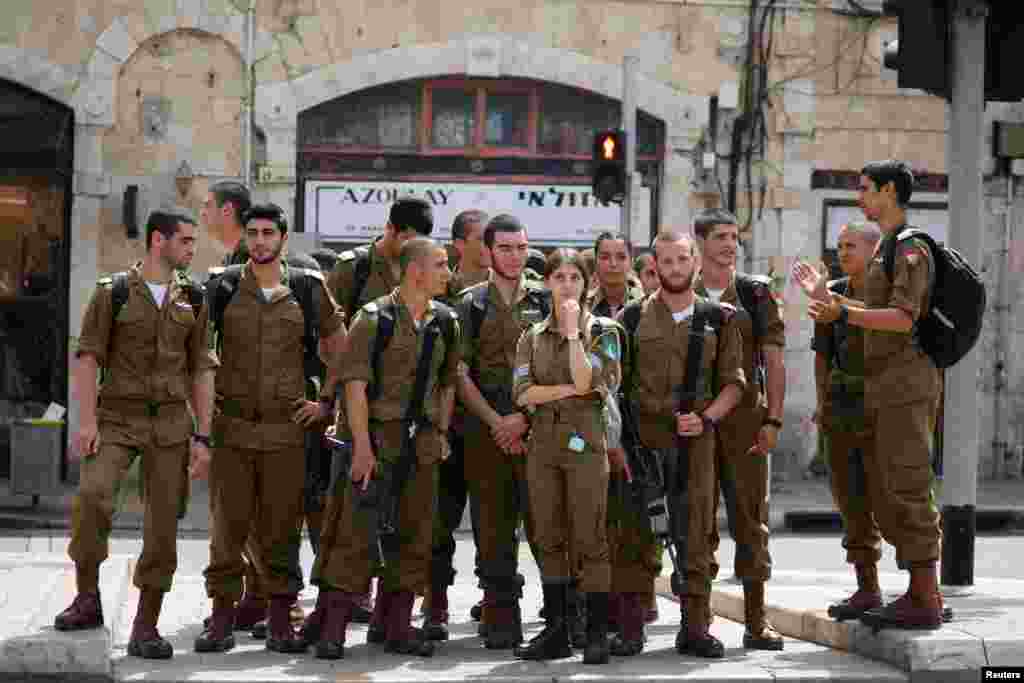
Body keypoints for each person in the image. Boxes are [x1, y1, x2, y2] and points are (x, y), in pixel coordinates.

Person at [55, 210, 217, 660]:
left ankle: (146, 625)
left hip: (170, 423)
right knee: (92, 498)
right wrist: (86, 422)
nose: (192, 249)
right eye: (185, 241)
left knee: (163, 524)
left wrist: (203, 437)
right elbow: (88, 357)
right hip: (117, 419)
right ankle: (87, 598)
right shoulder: (114, 292)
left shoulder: (194, 297)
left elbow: (202, 368)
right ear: (157, 240)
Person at [195, 203, 346, 654]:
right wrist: (202, 422)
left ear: (283, 237)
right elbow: (198, 354)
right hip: (233, 429)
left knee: (282, 528)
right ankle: (221, 619)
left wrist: (325, 402)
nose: (260, 241)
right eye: (253, 233)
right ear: (244, 237)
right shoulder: (221, 286)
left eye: (268, 233)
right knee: (228, 529)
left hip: (287, 432)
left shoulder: (307, 286)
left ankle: (281, 621)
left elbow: (341, 350)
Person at [807, 160, 945, 630]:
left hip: (906, 384)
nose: (859, 196)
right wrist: (837, 304)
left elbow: (903, 317)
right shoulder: (888, 247)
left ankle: (924, 597)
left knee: (908, 487)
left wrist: (843, 314)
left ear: (889, 191)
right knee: (888, 490)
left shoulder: (909, 248)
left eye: (866, 188)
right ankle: (915, 593)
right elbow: (875, 309)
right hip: (886, 386)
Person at [312, 237, 460, 659]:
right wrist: (361, 446)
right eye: (441, 265)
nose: (448, 273)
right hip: (377, 436)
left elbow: (448, 382)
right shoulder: (374, 318)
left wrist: (441, 431)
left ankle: (397, 626)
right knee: (354, 532)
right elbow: (354, 386)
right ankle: (333, 629)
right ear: (416, 271)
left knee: (415, 534)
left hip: (422, 442)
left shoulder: (445, 321)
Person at [621, 230, 745, 658]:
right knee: (635, 535)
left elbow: (734, 384)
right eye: (666, 261)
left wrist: (706, 418)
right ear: (655, 265)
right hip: (643, 443)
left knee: (696, 536)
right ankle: (631, 626)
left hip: (696, 445)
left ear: (695, 261)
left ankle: (695, 628)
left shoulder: (718, 318)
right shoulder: (631, 318)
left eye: (682, 259)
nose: (675, 269)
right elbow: (617, 386)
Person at [512, 248, 623, 665]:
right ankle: (557, 630)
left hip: (586, 444)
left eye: (575, 277)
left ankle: (594, 633)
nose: (567, 285)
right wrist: (568, 391)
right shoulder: (531, 336)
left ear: (587, 284)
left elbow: (592, 381)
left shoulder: (604, 332)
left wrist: (575, 333)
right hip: (543, 444)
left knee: (590, 537)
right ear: (547, 283)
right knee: (548, 536)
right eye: (559, 277)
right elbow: (522, 393)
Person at [693, 208, 786, 650]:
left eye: (734, 237)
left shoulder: (755, 294)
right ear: (700, 242)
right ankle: (698, 622)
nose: (730, 245)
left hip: (746, 423)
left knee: (751, 523)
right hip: (696, 426)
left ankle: (756, 620)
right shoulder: (684, 292)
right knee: (697, 525)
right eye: (720, 237)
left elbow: (775, 360)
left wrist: (773, 419)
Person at [455, 215, 550, 648]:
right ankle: (500, 614)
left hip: (539, 430)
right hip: (486, 433)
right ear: (488, 251)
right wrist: (497, 423)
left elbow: (560, 368)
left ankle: (560, 615)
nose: (515, 256)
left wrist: (523, 420)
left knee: (546, 525)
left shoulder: (546, 301)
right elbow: (459, 373)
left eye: (521, 247)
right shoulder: (470, 303)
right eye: (506, 248)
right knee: (492, 529)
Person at [793, 222, 885, 622]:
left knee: (897, 502)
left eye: (851, 246)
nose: (843, 252)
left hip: (884, 410)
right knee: (851, 501)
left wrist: (829, 299)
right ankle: (867, 587)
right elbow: (822, 355)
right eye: (840, 246)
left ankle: (922, 590)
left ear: (874, 250)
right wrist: (822, 402)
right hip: (842, 408)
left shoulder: (889, 292)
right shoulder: (833, 292)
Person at [423, 209, 490, 639]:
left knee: (494, 521)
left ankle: (494, 596)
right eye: (482, 238)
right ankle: (435, 600)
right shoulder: (439, 291)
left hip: (490, 426)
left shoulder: (509, 292)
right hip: (446, 423)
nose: (491, 246)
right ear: (460, 245)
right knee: (438, 519)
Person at [588, 232, 647, 319]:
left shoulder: (645, 305)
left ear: (631, 262)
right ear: (596, 262)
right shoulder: (584, 305)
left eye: (621, 257)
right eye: (605, 257)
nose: (613, 264)